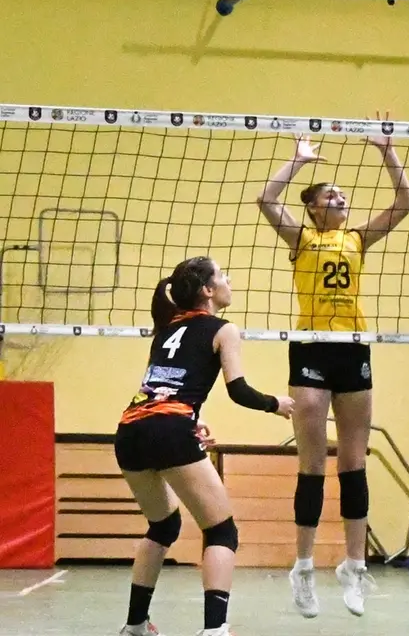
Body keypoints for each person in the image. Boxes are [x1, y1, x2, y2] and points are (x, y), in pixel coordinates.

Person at [256, 118, 409, 618]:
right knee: (312, 465)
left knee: (354, 462)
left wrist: (388, 151)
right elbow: (265, 199)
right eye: (331, 196)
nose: (341, 201)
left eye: (343, 196)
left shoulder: (356, 239)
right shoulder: (302, 239)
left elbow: (406, 204)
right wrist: (300, 161)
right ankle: (303, 568)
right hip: (310, 346)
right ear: (312, 207)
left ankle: (353, 565)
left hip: (352, 347)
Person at [116, 258, 294, 636]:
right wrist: (275, 403)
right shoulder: (224, 329)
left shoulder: (166, 329)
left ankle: (134, 625)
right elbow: (238, 390)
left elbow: (164, 387)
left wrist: (190, 422)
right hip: (168, 429)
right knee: (221, 532)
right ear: (208, 291)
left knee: (163, 526)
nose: (229, 280)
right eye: (222, 276)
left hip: (131, 428)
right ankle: (215, 630)